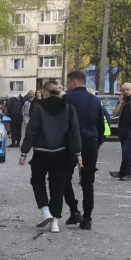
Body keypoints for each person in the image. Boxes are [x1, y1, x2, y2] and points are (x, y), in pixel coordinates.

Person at [19, 80, 83, 234]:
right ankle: (55, 222)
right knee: (57, 187)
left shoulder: (39, 109)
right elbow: (75, 133)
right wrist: (78, 153)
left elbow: (31, 131)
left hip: (41, 152)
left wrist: (24, 152)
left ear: (45, 92)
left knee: (37, 182)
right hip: (62, 153)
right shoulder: (69, 108)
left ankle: (45, 210)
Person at [62, 71, 107, 230]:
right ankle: (87, 218)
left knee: (64, 178)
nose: (67, 85)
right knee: (88, 182)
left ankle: (74, 210)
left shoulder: (67, 99)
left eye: (68, 82)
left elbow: (62, 122)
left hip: (71, 144)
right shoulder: (95, 101)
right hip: (91, 142)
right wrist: (98, 141)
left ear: (74, 82)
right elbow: (101, 124)